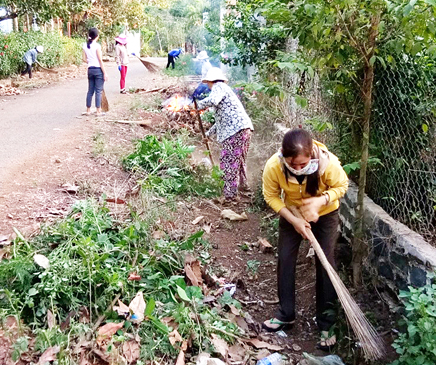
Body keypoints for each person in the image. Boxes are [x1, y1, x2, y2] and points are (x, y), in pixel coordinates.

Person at [262, 128, 348, 351]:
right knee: (286, 258)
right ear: (283, 154)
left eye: (303, 164)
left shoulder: (326, 165)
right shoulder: (274, 166)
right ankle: (286, 314)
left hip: (325, 213)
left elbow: (342, 185)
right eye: (294, 164)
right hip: (292, 212)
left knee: (326, 263)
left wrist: (320, 202)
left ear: (311, 154)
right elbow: (271, 196)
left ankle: (326, 324)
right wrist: (295, 221)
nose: (299, 168)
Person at [195, 67, 254, 202]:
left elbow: (213, 100)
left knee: (228, 161)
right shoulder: (224, 90)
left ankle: (230, 195)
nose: (208, 86)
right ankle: (243, 189)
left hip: (236, 131)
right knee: (238, 161)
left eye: (208, 83)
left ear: (211, 81)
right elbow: (221, 121)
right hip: (243, 129)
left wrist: (198, 105)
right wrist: (208, 134)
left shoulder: (218, 86)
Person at [82, 28, 108, 116]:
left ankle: (88, 110)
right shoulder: (97, 46)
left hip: (90, 69)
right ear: (96, 36)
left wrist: (90, 62)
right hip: (98, 69)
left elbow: (84, 59)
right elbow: (100, 60)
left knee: (90, 90)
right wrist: (105, 73)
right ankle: (98, 111)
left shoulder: (85, 45)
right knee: (98, 91)